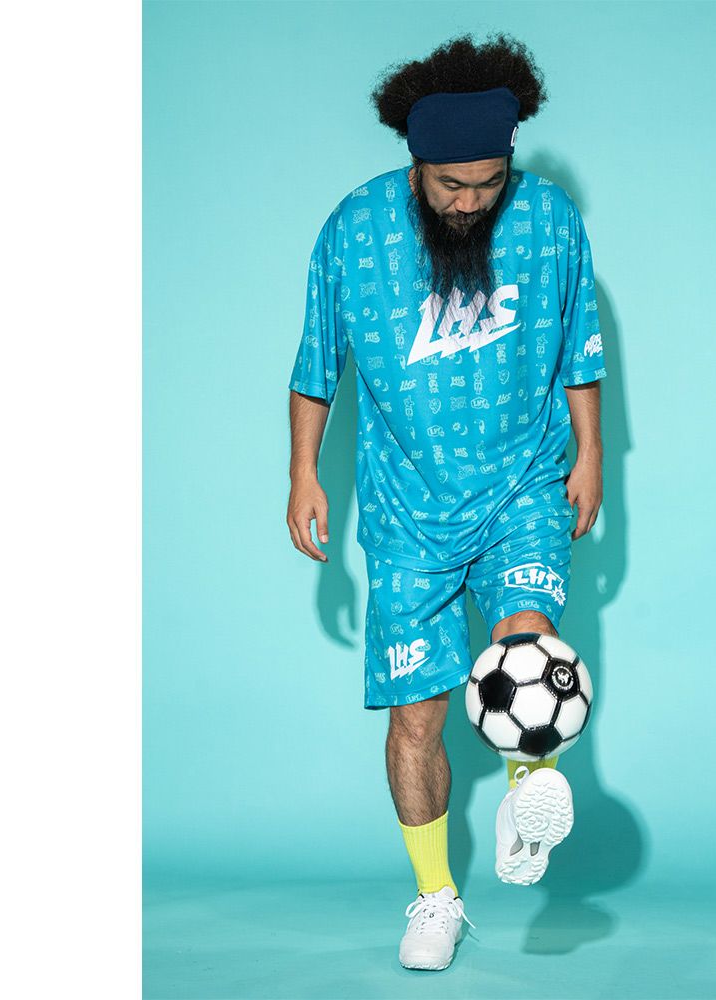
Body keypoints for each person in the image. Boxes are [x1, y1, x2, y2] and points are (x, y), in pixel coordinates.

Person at [286, 33, 607, 971]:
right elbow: (316, 363)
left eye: (487, 183)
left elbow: (580, 340)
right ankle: (436, 897)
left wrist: (591, 452)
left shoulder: (549, 218)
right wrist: (303, 471)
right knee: (417, 719)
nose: (470, 202)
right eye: (449, 186)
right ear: (415, 164)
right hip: (406, 512)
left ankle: (525, 792)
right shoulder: (354, 230)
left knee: (528, 647)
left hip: (520, 485)